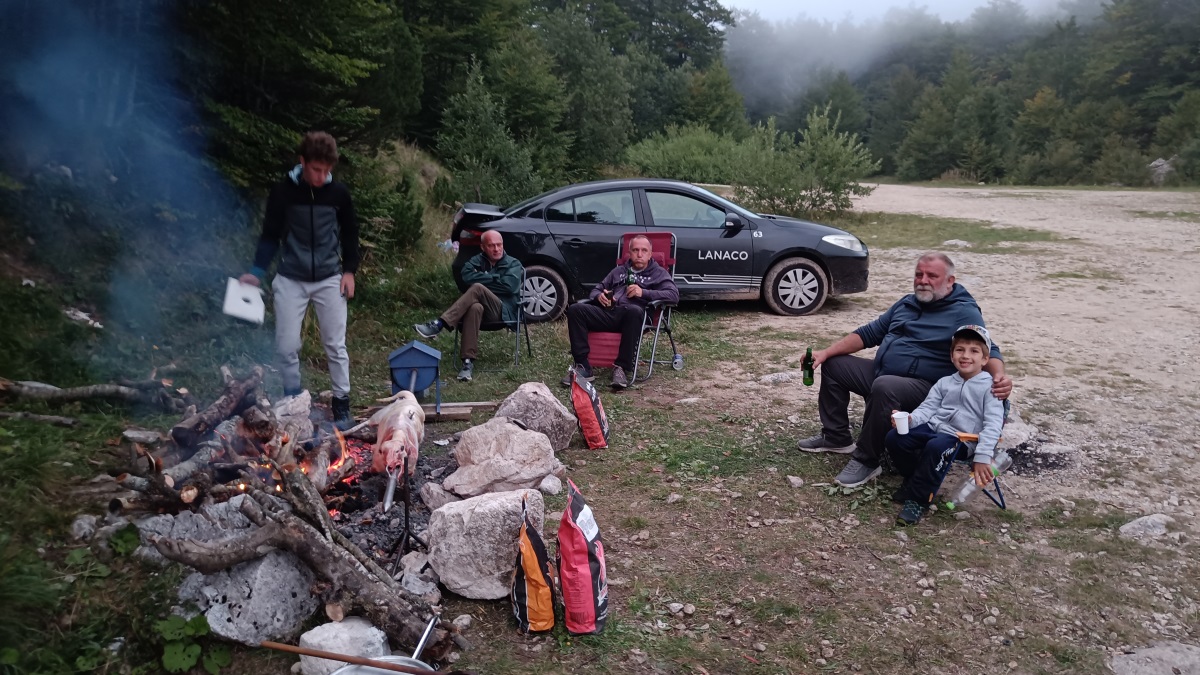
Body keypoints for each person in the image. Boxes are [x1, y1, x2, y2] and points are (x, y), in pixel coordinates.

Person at [796, 252, 1011, 488]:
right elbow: (869, 333)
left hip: (926, 388)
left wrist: (999, 376)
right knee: (835, 365)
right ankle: (836, 437)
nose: (923, 280)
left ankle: (867, 460)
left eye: (932, 276)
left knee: (885, 386)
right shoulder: (907, 303)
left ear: (950, 281)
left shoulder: (963, 311)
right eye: (919, 274)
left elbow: (989, 348)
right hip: (884, 373)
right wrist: (825, 352)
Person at [239, 131, 358, 426]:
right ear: (302, 162)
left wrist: (349, 271)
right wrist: (257, 271)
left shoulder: (339, 194)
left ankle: (341, 403)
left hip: (330, 277)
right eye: (316, 169)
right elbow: (270, 234)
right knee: (286, 345)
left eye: (326, 170)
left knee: (335, 344)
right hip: (291, 276)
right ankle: (293, 399)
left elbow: (350, 233)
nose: (321, 176)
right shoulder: (283, 192)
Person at [886, 325, 1005, 526]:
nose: (965, 356)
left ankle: (918, 500)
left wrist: (983, 455)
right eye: (960, 350)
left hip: (963, 439)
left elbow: (993, 424)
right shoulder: (944, 382)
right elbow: (927, 408)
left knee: (937, 446)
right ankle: (914, 480)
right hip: (934, 428)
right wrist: (910, 420)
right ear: (952, 355)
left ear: (985, 359)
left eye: (974, 351)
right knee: (895, 438)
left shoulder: (990, 388)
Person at [561, 235, 679, 390]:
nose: (639, 254)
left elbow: (673, 295)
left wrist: (643, 292)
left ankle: (621, 368)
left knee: (633, 310)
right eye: (635, 250)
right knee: (576, 309)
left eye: (644, 250)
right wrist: (599, 296)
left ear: (650, 254)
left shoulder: (658, 273)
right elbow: (596, 289)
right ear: (629, 253)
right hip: (610, 312)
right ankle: (583, 366)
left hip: (635, 317)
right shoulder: (618, 271)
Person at [413, 230, 523, 382]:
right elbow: (466, 276)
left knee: (477, 288)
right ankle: (467, 363)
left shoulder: (513, 263)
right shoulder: (478, 260)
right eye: (491, 246)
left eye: (499, 245)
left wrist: (483, 278)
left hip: (502, 311)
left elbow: (509, 287)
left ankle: (439, 324)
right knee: (474, 307)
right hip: (481, 313)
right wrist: (496, 279)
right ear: (483, 247)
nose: (496, 249)